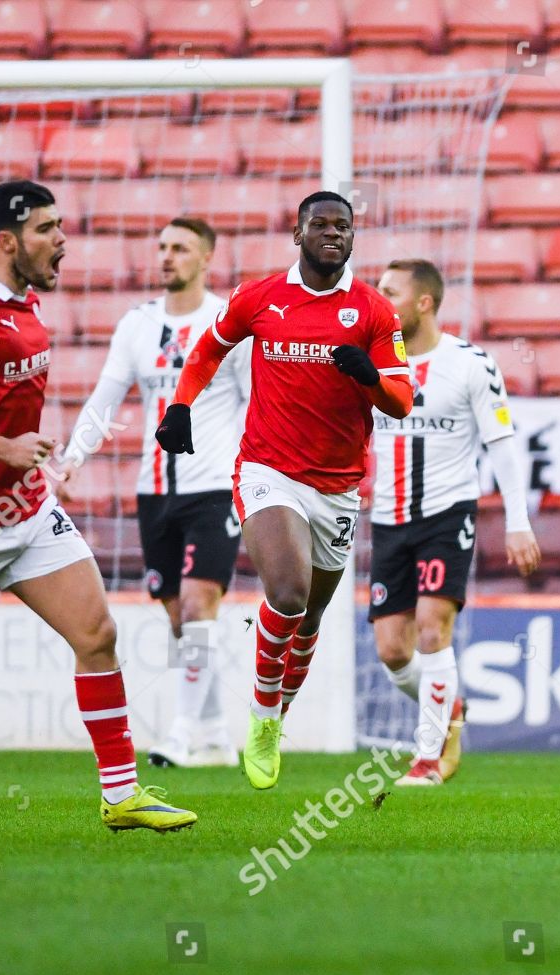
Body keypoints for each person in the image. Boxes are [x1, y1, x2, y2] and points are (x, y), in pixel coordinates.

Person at [0, 181, 195, 830]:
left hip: (26, 515)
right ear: (8, 241)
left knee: (98, 634)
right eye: (49, 230)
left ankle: (121, 795)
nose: (63, 241)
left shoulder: (24, 304)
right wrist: (4, 449)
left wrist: (29, 464)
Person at [156, 191, 412, 791]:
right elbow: (209, 348)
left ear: (353, 237)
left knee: (313, 615)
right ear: (297, 235)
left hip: (339, 486)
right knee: (290, 593)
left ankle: (279, 709)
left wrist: (369, 377)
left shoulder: (373, 311)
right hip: (267, 469)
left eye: (342, 227)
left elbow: (400, 402)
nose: (332, 234)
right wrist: (180, 407)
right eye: (319, 225)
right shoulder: (259, 297)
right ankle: (262, 717)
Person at [59, 217, 249, 769]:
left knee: (196, 605)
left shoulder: (228, 325)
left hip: (214, 487)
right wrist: (72, 459)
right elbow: (106, 398)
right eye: (162, 246)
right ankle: (214, 729)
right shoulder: (136, 325)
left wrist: (253, 477)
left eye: (181, 248)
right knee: (178, 618)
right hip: (154, 490)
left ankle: (181, 732)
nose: (167, 256)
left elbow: (255, 404)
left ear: (207, 258)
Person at [369, 259, 541, 786]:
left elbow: (503, 445)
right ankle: (450, 706)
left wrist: (518, 520)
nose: (380, 301)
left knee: (431, 628)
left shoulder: (471, 364)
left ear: (423, 303)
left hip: (447, 513)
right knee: (392, 650)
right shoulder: (368, 364)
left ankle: (428, 758)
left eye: (390, 292)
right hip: (387, 517)